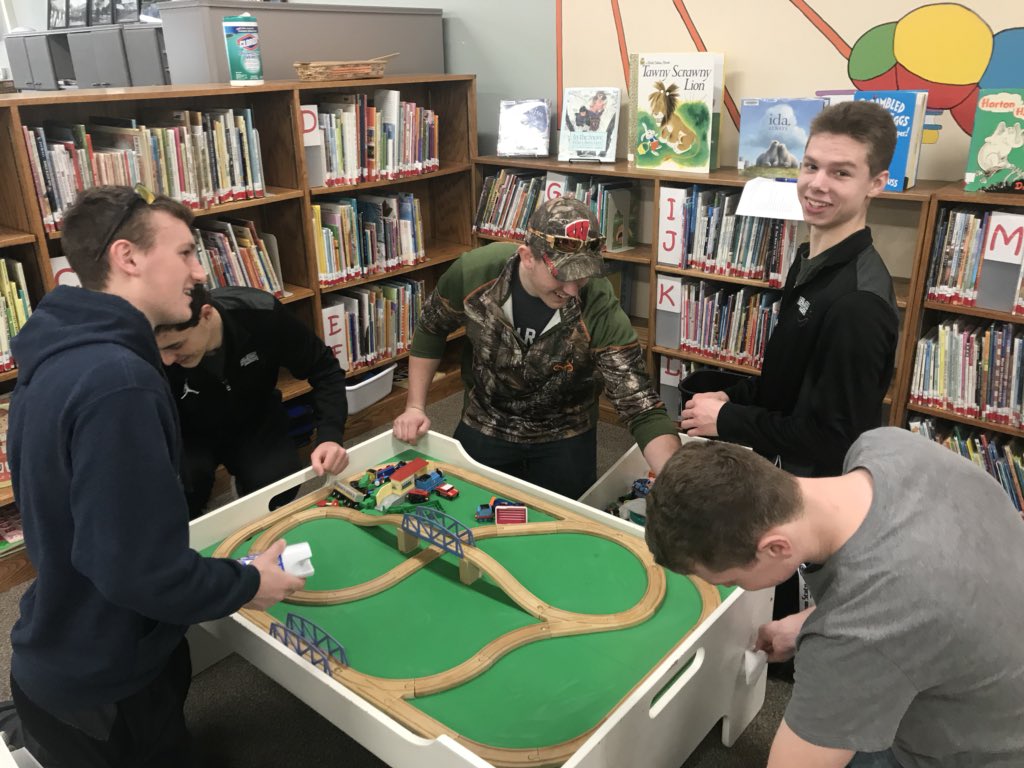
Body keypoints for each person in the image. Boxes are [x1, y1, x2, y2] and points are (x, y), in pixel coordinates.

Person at [8, 185, 305, 767]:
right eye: (186, 252)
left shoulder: (63, 348)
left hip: (68, 651)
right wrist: (248, 583)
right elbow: (137, 570)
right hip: (107, 687)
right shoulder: (118, 380)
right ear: (128, 257)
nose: (200, 272)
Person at [644, 429, 1024, 768]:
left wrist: (830, 633)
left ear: (776, 547)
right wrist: (807, 622)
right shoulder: (886, 445)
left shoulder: (857, 636)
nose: (739, 588)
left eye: (732, 579)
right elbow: (918, 585)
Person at [680, 99, 900, 620]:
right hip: (778, 474)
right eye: (811, 166)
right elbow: (790, 380)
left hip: (811, 497)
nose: (817, 185)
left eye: (841, 172)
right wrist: (733, 396)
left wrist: (729, 419)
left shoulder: (857, 304)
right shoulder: (809, 260)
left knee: (786, 627)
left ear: (876, 183)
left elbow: (835, 437)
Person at [393, 197, 681, 499]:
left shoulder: (597, 302)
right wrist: (415, 406)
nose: (572, 289)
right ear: (527, 256)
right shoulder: (476, 272)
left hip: (566, 427)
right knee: (463, 502)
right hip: (487, 417)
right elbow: (431, 328)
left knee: (569, 516)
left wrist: (677, 481)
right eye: (561, 274)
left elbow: (639, 403)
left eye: (582, 274)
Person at [155, 284, 349, 519]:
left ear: (206, 314)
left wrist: (330, 435)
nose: (166, 360)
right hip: (189, 431)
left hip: (255, 416)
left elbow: (324, 368)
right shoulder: (151, 349)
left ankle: (246, 494)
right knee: (178, 494)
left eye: (176, 346)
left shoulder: (262, 312)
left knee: (277, 485)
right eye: (161, 349)